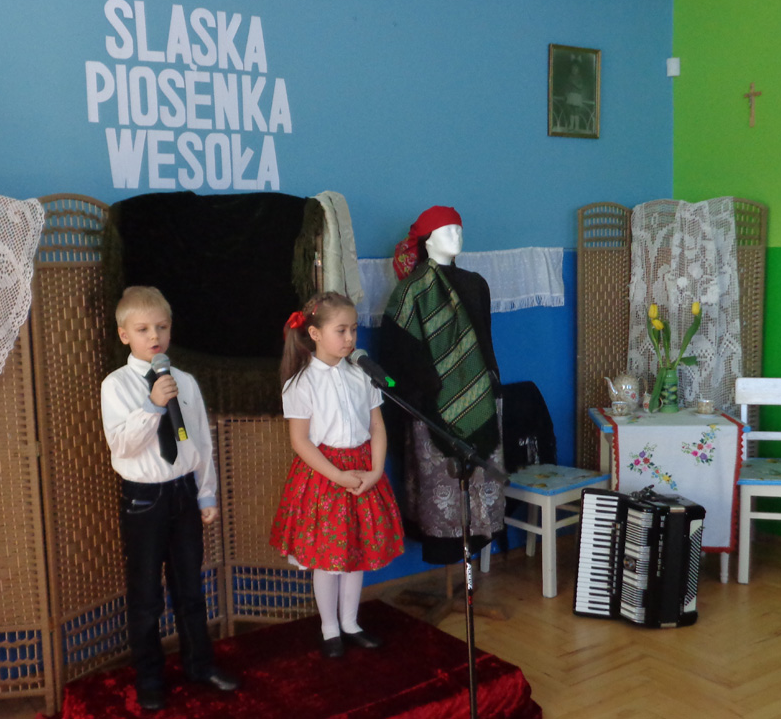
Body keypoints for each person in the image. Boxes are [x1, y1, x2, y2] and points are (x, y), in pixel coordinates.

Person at [101, 286, 239, 712]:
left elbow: (200, 442)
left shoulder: (186, 382)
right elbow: (122, 445)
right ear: (124, 334)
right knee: (146, 595)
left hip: (183, 493)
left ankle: (200, 664)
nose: (154, 336)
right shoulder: (116, 385)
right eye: (143, 329)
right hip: (144, 500)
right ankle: (149, 678)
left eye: (161, 327)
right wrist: (153, 405)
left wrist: (206, 492)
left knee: (190, 588)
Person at [270, 291, 405, 659]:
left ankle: (351, 622)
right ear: (315, 334)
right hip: (325, 477)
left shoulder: (361, 375)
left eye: (354, 330)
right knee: (329, 557)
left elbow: (377, 426)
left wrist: (376, 470)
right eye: (341, 330)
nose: (350, 338)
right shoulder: (301, 383)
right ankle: (329, 628)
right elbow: (300, 441)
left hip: (362, 470)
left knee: (355, 550)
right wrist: (338, 476)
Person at [380, 206, 505, 566]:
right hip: (432, 408)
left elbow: (485, 344)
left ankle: (476, 548)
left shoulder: (476, 284)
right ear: (426, 240)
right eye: (447, 230)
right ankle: (448, 560)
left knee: (480, 481)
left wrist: (492, 386)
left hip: (482, 398)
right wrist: (427, 395)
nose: (457, 236)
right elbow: (398, 356)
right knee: (445, 487)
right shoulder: (409, 292)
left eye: (459, 229)